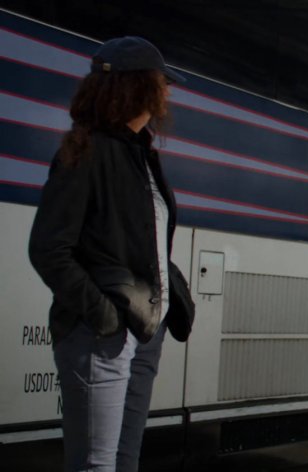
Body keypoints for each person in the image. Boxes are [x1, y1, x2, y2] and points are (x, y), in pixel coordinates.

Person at [28, 37, 195, 471]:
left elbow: (141, 239)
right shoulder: (87, 152)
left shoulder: (142, 156)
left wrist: (169, 288)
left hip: (144, 332)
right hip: (100, 335)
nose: (169, 93)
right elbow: (49, 248)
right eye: (163, 82)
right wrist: (102, 315)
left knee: (124, 461)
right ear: (140, 87)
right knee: (96, 464)